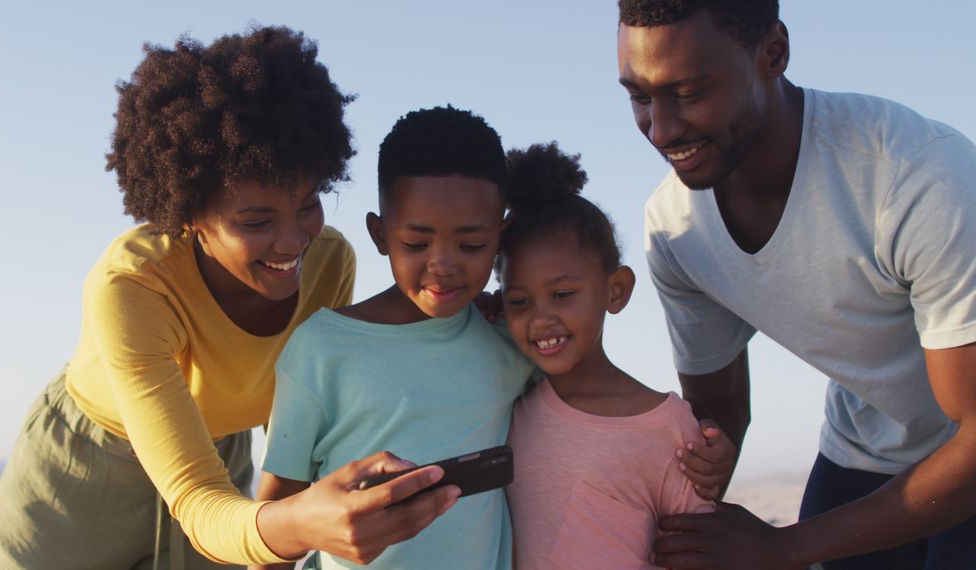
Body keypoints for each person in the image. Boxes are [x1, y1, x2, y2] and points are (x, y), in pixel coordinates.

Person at [0, 26, 457, 570]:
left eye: (307, 205)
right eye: (256, 221)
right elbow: (193, 498)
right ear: (189, 217)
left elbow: (296, 431)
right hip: (83, 471)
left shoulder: (328, 262)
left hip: (219, 458)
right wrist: (295, 523)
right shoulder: (134, 285)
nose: (294, 241)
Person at [615, 0, 976, 568]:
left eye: (688, 93)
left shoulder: (915, 176)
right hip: (865, 448)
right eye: (639, 96)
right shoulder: (675, 227)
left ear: (773, 53)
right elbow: (718, 411)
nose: (660, 129)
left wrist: (784, 546)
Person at [255, 105, 535, 570]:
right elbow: (274, 527)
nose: (443, 264)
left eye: (470, 245)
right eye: (416, 243)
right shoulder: (321, 350)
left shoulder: (510, 343)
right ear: (379, 234)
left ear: (501, 238)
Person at [498, 142, 714, 569]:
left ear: (615, 290)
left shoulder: (669, 429)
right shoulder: (508, 405)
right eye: (519, 302)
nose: (541, 319)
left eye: (562, 295)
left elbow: (699, 551)